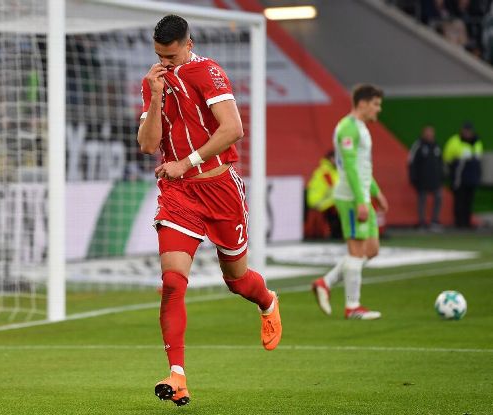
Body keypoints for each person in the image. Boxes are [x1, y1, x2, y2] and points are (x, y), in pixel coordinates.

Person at [137, 15, 282, 407]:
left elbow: (233, 128)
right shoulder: (155, 81)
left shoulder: (208, 72)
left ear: (188, 44)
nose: (165, 63)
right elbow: (149, 145)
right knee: (172, 282)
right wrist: (153, 97)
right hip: (178, 194)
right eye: (158, 56)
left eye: (170, 55)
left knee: (236, 280)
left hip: (219, 189)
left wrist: (187, 162)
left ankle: (267, 300)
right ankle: (178, 375)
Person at [311, 84, 389, 320]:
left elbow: (364, 167)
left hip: (362, 195)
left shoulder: (361, 128)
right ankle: (352, 306)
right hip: (351, 198)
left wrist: (376, 193)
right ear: (363, 104)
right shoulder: (347, 128)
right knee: (356, 252)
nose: (378, 109)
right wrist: (362, 200)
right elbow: (351, 168)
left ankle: (326, 282)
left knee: (371, 250)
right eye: (376, 104)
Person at [443, 121, 483, 228]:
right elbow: (447, 158)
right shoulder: (455, 141)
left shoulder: (477, 142)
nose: (468, 133)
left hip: (472, 177)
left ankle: (467, 223)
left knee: (469, 201)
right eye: (466, 130)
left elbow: (478, 160)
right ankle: (459, 223)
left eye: (469, 130)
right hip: (459, 178)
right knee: (459, 201)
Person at [408, 125, 444, 229]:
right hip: (422, 179)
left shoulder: (437, 146)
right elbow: (411, 162)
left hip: (436, 179)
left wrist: (442, 176)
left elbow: (441, 162)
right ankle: (422, 221)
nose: (429, 134)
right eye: (427, 132)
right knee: (422, 200)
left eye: (431, 132)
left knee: (438, 198)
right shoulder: (418, 145)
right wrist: (413, 177)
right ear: (423, 133)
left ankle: (435, 221)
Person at [305, 149, 341, 239]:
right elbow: (334, 188)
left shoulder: (332, 171)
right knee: (340, 200)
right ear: (331, 159)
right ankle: (336, 233)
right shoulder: (326, 171)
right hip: (318, 200)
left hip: (325, 198)